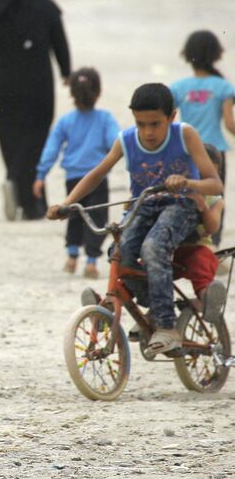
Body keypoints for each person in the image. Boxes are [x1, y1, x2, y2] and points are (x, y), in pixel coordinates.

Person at [47, 83, 222, 357]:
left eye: (155, 124)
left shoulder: (185, 135)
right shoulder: (126, 139)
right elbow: (97, 173)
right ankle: (152, 305)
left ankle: (167, 326)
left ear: (172, 116)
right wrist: (67, 205)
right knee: (120, 252)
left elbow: (215, 184)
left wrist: (186, 182)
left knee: (153, 248)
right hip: (143, 206)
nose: (148, 132)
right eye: (141, 124)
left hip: (181, 205)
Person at [0, 0, 71, 221]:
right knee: (35, 139)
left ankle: (17, 188)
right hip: (37, 86)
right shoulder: (47, 7)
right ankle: (31, 201)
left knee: (10, 138)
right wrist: (66, 72)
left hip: (3, 84)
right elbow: (60, 43)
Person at [33, 68, 119, 279]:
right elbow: (115, 143)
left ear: (71, 93)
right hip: (98, 177)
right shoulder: (105, 119)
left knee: (71, 215)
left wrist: (41, 174)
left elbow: (51, 148)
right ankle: (90, 262)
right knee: (97, 218)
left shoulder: (66, 121)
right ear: (98, 92)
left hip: (73, 178)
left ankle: (71, 257)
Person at [170, 30, 235, 245]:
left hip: (187, 151)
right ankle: (212, 245)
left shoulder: (178, 87)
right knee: (215, 199)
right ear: (216, 55)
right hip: (215, 151)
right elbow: (229, 124)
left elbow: (168, 121)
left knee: (187, 197)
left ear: (187, 55)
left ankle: (188, 243)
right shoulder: (224, 87)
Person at [172, 144, 227, 323]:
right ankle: (111, 301)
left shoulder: (216, 200)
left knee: (201, 261)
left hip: (196, 249)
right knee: (144, 268)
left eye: (210, 176)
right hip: (171, 250)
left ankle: (206, 298)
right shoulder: (178, 193)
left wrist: (203, 206)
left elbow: (212, 228)